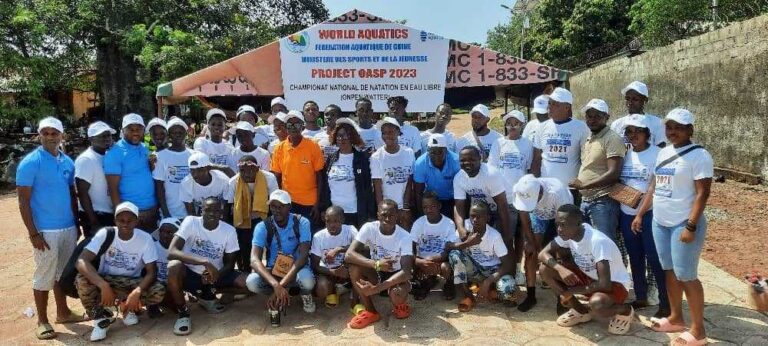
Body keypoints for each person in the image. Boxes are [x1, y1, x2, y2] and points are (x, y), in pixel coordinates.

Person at [638, 108, 712, 345]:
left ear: (690, 129)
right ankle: (676, 317)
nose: (673, 132)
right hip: (661, 221)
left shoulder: (700, 155)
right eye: (669, 127)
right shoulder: (663, 153)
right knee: (669, 271)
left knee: (686, 275)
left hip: (683, 222)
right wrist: (640, 214)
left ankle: (698, 330)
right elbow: (654, 186)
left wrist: (690, 226)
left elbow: (703, 193)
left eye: (679, 127)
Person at [17, 117, 84, 340]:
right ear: (39, 136)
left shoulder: (67, 162)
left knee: (62, 273)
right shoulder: (30, 163)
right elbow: (23, 201)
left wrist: (77, 223)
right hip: (45, 230)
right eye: (45, 133)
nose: (50, 136)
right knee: (44, 274)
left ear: (61, 135)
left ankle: (63, 312)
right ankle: (42, 320)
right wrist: (33, 233)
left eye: (54, 133)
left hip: (67, 228)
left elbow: (73, 196)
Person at [75, 201, 165, 341]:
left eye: (130, 220)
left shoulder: (145, 239)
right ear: (115, 220)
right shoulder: (106, 234)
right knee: (82, 279)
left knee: (158, 290)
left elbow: (152, 272)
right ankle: (100, 318)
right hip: (106, 279)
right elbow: (81, 261)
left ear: (136, 221)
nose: (125, 224)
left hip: (131, 283)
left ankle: (126, 307)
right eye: (121, 220)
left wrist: (137, 292)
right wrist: (103, 285)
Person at [538, 204, 634, 335]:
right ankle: (581, 312)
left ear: (578, 223)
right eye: (557, 225)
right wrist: (560, 269)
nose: (559, 229)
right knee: (545, 269)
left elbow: (604, 284)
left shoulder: (597, 241)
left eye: (563, 225)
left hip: (614, 286)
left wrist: (570, 291)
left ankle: (625, 310)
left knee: (597, 304)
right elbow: (542, 254)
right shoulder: (568, 235)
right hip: (589, 278)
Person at [166, 197, 247, 335]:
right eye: (207, 210)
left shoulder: (229, 230)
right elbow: (172, 252)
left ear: (221, 213)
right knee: (173, 266)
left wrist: (215, 275)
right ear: (201, 211)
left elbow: (229, 264)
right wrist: (204, 262)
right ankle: (183, 313)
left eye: (216, 210)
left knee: (250, 284)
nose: (212, 214)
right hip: (190, 274)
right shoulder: (191, 222)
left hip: (216, 275)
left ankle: (209, 296)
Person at [616, 115, 668, 318]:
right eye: (629, 131)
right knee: (635, 257)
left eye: (638, 131)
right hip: (626, 213)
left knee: (654, 259)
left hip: (649, 214)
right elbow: (618, 181)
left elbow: (654, 188)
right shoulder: (624, 154)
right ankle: (640, 296)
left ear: (647, 133)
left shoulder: (658, 154)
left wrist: (640, 213)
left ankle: (665, 302)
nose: (634, 135)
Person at [246, 190, 316, 327]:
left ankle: (303, 294)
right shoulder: (262, 226)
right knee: (251, 282)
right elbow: (254, 260)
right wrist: (275, 285)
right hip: (275, 270)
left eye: (281, 206)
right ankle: (279, 293)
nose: (276, 210)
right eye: (273, 206)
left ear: (289, 206)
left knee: (307, 281)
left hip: (297, 268)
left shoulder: (302, 222)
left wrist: (280, 285)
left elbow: (303, 257)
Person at [344, 199, 414, 329]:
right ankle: (371, 312)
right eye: (383, 215)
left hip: (396, 274)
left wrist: (375, 289)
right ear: (378, 214)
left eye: (391, 215)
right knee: (354, 267)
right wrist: (376, 264)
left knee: (397, 294)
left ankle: (400, 304)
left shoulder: (404, 236)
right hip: (376, 271)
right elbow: (349, 255)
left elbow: (406, 272)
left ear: (397, 216)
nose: (387, 219)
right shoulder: (369, 228)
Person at [512, 174, 574, 312]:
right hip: (539, 215)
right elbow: (524, 216)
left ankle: (561, 296)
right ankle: (531, 295)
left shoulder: (557, 193)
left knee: (561, 253)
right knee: (529, 252)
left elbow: (564, 225)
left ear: (540, 192)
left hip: (562, 216)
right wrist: (531, 242)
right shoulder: (521, 189)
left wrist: (549, 249)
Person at [488, 110, 534, 285]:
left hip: (521, 198)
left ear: (522, 125)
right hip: (502, 198)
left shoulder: (527, 145)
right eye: (509, 123)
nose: (512, 126)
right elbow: (492, 170)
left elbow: (529, 170)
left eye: (516, 123)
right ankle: (504, 269)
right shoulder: (498, 143)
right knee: (504, 236)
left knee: (520, 236)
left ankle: (517, 269)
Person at [570, 99, 626, 242]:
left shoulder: (612, 138)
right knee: (589, 245)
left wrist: (584, 185)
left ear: (606, 117)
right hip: (586, 200)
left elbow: (613, 173)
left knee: (604, 245)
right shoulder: (590, 138)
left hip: (603, 201)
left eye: (597, 116)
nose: (592, 120)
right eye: (589, 116)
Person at [446, 200, 516, 311]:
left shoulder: (494, 236)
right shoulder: (465, 226)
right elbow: (448, 246)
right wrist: (467, 243)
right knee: (454, 254)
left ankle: (489, 289)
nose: (475, 220)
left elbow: (507, 264)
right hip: (473, 270)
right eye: (472, 216)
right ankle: (468, 296)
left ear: (487, 218)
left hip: (491, 271)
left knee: (507, 290)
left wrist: (487, 282)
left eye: (479, 217)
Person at [270, 111, 325, 231]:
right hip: (287, 203)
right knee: (291, 237)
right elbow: (277, 176)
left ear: (302, 126)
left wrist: (317, 204)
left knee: (308, 236)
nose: (293, 128)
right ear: (285, 127)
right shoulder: (279, 148)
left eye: (297, 125)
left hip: (309, 203)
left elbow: (320, 177)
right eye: (289, 125)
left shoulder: (313, 146)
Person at [453, 146, 514, 252]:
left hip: (507, 207)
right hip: (485, 208)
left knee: (504, 242)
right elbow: (458, 206)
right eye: (463, 160)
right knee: (482, 243)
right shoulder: (459, 178)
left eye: (471, 159)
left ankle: (512, 267)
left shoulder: (490, 174)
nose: (467, 163)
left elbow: (502, 205)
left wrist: (506, 234)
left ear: (480, 159)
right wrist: (461, 228)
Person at [531, 88, 591, 195]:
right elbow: (536, 159)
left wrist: (582, 184)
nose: (550, 106)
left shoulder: (581, 127)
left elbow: (586, 159)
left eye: (555, 104)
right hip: (546, 188)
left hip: (570, 190)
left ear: (567, 107)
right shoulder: (542, 127)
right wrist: (534, 183)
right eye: (550, 103)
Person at [104, 113, 158, 232]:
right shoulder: (115, 153)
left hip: (152, 210)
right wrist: (120, 215)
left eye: (139, 129)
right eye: (131, 129)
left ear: (143, 130)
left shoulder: (145, 148)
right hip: (131, 214)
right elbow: (113, 189)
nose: (135, 132)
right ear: (123, 130)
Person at [225, 155, 279, 271]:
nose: (245, 174)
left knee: (269, 242)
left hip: (264, 213)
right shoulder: (234, 181)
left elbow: (275, 201)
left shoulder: (269, 178)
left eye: (250, 170)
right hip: (243, 216)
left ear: (257, 169)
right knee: (244, 244)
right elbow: (229, 204)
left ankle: (270, 268)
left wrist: (274, 223)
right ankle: (245, 270)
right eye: (242, 171)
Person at [318, 118, 376, 227]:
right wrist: (324, 208)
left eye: (346, 135)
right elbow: (326, 187)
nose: (342, 139)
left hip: (355, 213)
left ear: (352, 137)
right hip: (334, 213)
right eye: (339, 135)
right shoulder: (331, 159)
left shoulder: (362, 159)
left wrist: (370, 214)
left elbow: (368, 188)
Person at [410, 192, 458, 300]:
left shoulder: (449, 223)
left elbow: (448, 250)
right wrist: (418, 261)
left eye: (432, 206)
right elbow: (410, 247)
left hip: (440, 260)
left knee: (446, 267)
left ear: (439, 206)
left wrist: (433, 259)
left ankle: (448, 284)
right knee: (409, 262)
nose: (429, 210)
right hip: (422, 261)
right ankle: (425, 282)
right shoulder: (418, 223)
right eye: (425, 207)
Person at [370, 117, 415, 229]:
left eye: (390, 132)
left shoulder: (408, 153)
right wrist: (382, 211)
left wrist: (405, 207)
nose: (387, 136)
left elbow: (410, 182)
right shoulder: (376, 157)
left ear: (398, 132)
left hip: (403, 206)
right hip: (387, 209)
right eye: (384, 133)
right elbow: (378, 187)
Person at [310, 206, 359, 309]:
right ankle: (334, 290)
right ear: (324, 220)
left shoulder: (350, 230)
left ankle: (354, 297)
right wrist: (334, 272)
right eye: (328, 221)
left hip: (347, 269)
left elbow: (363, 246)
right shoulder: (318, 237)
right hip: (328, 271)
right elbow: (315, 265)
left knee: (358, 265)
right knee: (322, 289)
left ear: (343, 220)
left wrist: (339, 249)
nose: (332, 225)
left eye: (336, 221)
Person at [76, 121, 116, 237]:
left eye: (108, 135)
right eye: (102, 136)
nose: (107, 138)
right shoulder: (87, 159)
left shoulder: (109, 156)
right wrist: (94, 222)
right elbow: (82, 193)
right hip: (95, 215)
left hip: (108, 214)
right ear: (91, 139)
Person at [153, 117, 195, 219]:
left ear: (186, 133)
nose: (177, 135)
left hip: (192, 213)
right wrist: (166, 213)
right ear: (169, 135)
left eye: (180, 132)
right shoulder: (161, 156)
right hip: (170, 212)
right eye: (174, 133)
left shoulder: (194, 155)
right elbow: (159, 188)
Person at [413, 133, 460, 218]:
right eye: (433, 152)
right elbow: (418, 192)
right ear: (428, 150)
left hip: (452, 199)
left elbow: (461, 190)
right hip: (432, 200)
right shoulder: (420, 163)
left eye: (440, 152)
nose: (436, 156)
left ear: (446, 150)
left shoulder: (456, 161)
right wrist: (422, 216)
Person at [610, 81, 667, 148]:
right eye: (627, 99)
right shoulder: (616, 125)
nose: (630, 102)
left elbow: (660, 150)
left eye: (635, 99)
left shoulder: (657, 123)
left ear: (645, 100)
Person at [180, 152, 231, 217]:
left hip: (219, 214)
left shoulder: (223, 179)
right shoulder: (186, 183)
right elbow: (191, 213)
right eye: (192, 170)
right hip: (199, 216)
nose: (195, 174)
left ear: (208, 168)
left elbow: (226, 208)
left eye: (199, 170)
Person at [148, 218, 181, 317]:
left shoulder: (181, 248)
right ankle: (152, 305)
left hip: (174, 281)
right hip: (156, 283)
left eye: (170, 232)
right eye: (162, 231)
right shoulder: (152, 247)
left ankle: (171, 301)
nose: (164, 235)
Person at [193, 108, 235, 174]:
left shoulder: (229, 146)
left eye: (220, 125)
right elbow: (201, 163)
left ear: (225, 127)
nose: (216, 127)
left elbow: (233, 168)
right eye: (213, 124)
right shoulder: (201, 142)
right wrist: (224, 169)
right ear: (208, 126)